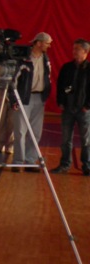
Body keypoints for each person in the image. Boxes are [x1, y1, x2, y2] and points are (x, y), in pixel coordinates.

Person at [51, 39, 90, 175]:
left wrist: (87, 105)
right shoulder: (67, 67)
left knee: (86, 140)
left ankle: (87, 165)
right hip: (68, 108)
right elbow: (61, 86)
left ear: (85, 51)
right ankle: (64, 164)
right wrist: (61, 101)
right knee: (65, 139)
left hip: (84, 110)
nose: (74, 52)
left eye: (77, 49)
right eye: (73, 49)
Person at [14, 32, 52, 167]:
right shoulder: (24, 58)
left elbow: (48, 76)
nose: (49, 46)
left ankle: (30, 160)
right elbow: (14, 79)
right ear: (39, 43)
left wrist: (45, 94)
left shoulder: (45, 58)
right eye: (47, 43)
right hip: (24, 97)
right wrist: (14, 99)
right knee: (20, 131)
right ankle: (18, 161)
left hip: (39, 97)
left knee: (36, 132)